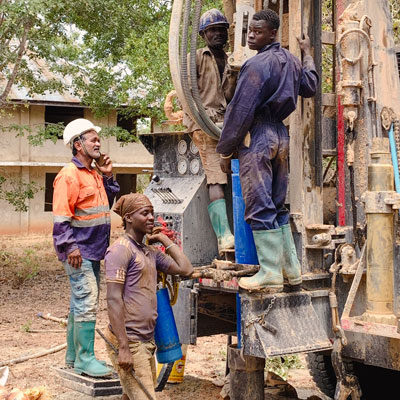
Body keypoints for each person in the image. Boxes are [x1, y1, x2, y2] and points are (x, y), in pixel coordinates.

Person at [216, 9, 319, 292]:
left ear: (273, 33)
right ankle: (291, 270)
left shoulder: (256, 65)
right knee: (276, 204)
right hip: (281, 136)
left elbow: (241, 111)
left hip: (259, 136)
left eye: (258, 31)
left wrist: (225, 150)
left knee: (259, 203)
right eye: (250, 30)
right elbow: (311, 86)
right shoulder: (292, 61)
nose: (251, 34)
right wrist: (307, 52)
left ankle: (271, 273)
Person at [104, 193, 193, 400]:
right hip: (130, 341)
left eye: (152, 213)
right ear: (128, 218)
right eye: (145, 213)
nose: (151, 217)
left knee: (133, 394)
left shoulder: (149, 252)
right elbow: (113, 300)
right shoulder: (119, 251)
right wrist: (123, 348)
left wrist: (164, 239)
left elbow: (186, 269)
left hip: (146, 341)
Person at [52, 118, 120, 377]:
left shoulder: (92, 173)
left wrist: (107, 175)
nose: (98, 143)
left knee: (79, 302)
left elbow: (108, 202)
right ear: (78, 144)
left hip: (93, 250)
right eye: (92, 139)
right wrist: (70, 248)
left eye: (98, 139)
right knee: (87, 301)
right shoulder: (68, 175)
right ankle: (85, 359)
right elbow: (60, 218)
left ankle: (73, 357)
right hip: (78, 252)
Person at [183, 8, 237, 254]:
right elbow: (186, 94)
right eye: (213, 30)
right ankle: (224, 236)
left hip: (227, 125)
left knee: (236, 172)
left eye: (221, 29)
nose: (218, 33)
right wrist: (199, 120)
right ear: (204, 34)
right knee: (216, 176)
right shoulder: (193, 58)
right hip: (205, 125)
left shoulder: (229, 60)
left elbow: (229, 97)